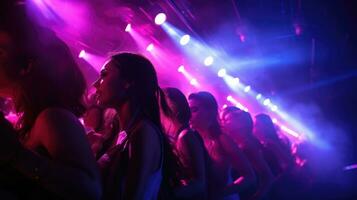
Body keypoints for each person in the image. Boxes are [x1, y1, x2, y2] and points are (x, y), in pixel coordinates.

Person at [0, 1, 101, 199]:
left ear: (26, 65)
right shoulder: (32, 120)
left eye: (0, 51)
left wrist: (16, 155)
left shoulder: (53, 118)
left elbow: (90, 191)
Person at [94, 52, 177, 200]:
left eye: (104, 74)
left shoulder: (144, 132)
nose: (95, 83)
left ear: (128, 82)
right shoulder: (121, 132)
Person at [188, 91, 256, 200]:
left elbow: (250, 176)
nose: (189, 114)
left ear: (210, 112)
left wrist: (220, 193)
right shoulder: (192, 139)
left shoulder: (222, 140)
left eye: (194, 110)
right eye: (188, 110)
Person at [161, 87, 208, 199]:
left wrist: (168, 196)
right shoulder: (178, 135)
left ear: (173, 109)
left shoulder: (186, 136)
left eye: (161, 105)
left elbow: (200, 183)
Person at [221, 107, 274, 200]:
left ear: (240, 124)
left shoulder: (247, 145)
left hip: (249, 193)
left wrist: (257, 196)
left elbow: (268, 176)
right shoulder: (237, 143)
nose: (224, 123)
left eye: (228, 120)